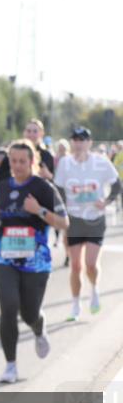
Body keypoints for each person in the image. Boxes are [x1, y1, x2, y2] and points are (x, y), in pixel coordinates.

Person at [0, 139, 68, 384]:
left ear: (32, 162)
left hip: (36, 259)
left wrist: (39, 211)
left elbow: (64, 223)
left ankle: (38, 327)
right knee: (9, 307)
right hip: (4, 256)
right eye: (13, 161)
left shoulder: (43, 188)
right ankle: (10, 365)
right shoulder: (2, 187)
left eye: (23, 161)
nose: (18, 165)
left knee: (29, 312)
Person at [54, 126, 122, 320]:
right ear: (72, 142)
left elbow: (117, 185)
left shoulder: (101, 163)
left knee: (90, 264)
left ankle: (94, 290)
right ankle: (75, 305)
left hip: (95, 220)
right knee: (75, 266)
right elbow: (57, 189)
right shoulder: (65, 163)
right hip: (74, 220)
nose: (78, 143)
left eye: (82, 139)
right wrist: (62, 210)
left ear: (89, 142)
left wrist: (106, 201)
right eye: (75, 139)